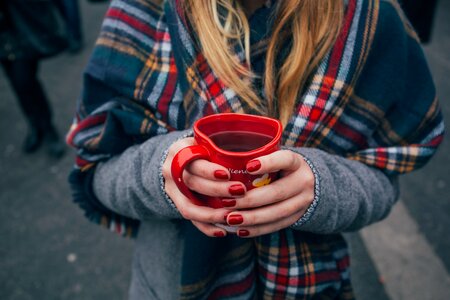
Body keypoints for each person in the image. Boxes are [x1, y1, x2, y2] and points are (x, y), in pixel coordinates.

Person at [67, 0, 444, 298]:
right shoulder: (146, 9)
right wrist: (164, 170)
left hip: (309, 286)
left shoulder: (367, 19)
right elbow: (97, 170)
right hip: (170, 286)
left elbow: (383, 181)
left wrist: (320, 188)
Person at [1, 0, 66, 158]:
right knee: (17, 84)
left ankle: (48, 127)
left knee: (25, 80)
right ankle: (35, 125)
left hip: (21, 27)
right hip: (3, 36)